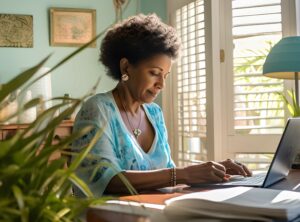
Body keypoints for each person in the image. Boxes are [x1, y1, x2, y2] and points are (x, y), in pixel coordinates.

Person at [72, 13, 252, 197]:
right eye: (154, 73)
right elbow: (107, 181)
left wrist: (216, 170)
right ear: (126, 67)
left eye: (164, 75)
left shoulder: (154, 113)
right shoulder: (98, 109)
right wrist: (185, 173)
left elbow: (168, 177)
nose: (161, 84)